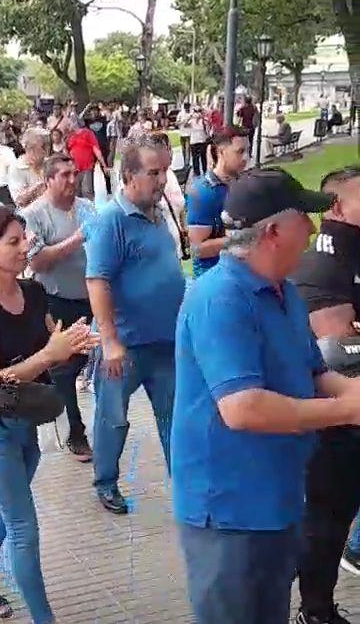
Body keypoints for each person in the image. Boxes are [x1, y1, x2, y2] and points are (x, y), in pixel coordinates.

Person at [171, 167, 360, 624]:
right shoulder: (219, 299)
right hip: (228, 511)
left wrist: (353, 393)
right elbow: (242, 408)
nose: (313, 229)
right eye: (304, 218)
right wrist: (345, 409)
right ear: (273, 232)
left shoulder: (284, 292)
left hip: (280, 497)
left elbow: (314, 371)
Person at [0, 205, 97, 624]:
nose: (24, 248)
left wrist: (72, 342)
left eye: (25, 239)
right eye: (13, 242)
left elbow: (52, 340)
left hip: (29, 426)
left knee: (6, 509)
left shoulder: (33, 292)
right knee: (23, 527)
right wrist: (50, 354)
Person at [86, 136, 185, 514]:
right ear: (128, 175)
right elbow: (97, 281)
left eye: (165, 171)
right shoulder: (112, 220)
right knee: (113, 418)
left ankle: (185, 483)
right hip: (125, 346)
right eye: (154, 173)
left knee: (174, 417)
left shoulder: (157, 213)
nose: (163, 180)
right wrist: (109, 340)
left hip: (165, 341)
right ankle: (105, 481)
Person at [292, 167, 360, 624]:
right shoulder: (324, 262)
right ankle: (315, 609)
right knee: (327, 519)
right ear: (337, 206)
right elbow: (341, 353)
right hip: (337, 421)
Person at [22, 154, 96, 462]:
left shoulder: (87, 208)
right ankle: (75, 431)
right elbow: (37, 261)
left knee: (87, 361)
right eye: (64, 175)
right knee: (64, 369)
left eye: (74, 173)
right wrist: (77, 239)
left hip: (91, 297)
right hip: (56, 300)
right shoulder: (33, 216)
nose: (72, 180)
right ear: (48, 180)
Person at [186, 126, 249, 277]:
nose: (246, 158)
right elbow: (197, 250)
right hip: (213, 278)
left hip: (243, 273)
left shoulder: (244, 183)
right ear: (221, 152)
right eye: (240, 152)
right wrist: (240, 240)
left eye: (248, 151)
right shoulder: (203, 192)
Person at [7, 128, 47, 208]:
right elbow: (19, 201)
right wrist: (40, 184)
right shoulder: (17, 167)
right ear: (31, 148)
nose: (46, 150)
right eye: (43, 146)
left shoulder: (48, 162)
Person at [66, 124, 107, 201]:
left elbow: (96, 148)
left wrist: (103, 164)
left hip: (87, 167)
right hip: (74, 170)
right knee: (75, 194)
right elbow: (66, 151)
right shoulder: (69, 136)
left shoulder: (88, 133)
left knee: (87, 192)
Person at [85, 104, 112, 194]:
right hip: (92, 148)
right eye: (92, 111)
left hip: (103, 147)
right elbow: (79, 119)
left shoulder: (103, 120)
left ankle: (109, 188)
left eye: (95, 111)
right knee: (90, 169)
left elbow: (110, 118)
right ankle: (91, 190)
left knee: (105, 168)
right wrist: (86, 108)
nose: (94, 112)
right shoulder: (87, 122)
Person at [188, 107, 209, 176]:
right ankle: (197, 173)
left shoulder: (204, 120)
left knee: (203, 157)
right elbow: (185, 125)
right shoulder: (191, 120)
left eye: (199, 111)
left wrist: (202, 118)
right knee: (195, 158)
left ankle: (205, 171)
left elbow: (207, 129)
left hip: (202, 141)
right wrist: (190, 117)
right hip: (194, 141)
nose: (197, 113)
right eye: (196, 111)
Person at [177, 102, 192, 168]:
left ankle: (187, 163)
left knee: (187, 149)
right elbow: (177, 122)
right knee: (183, 149)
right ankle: (185, 162)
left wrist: (189, 123)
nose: (187, 108)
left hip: (189, 134)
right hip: (182, 134)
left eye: (188, 107)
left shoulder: (191, 114)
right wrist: (182, 122)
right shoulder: (180, 114)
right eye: (186, 107)